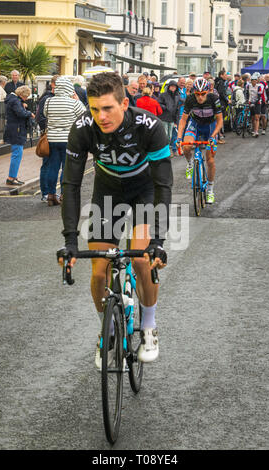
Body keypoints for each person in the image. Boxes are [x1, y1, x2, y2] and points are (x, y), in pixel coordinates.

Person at [60, 72, 172, 367]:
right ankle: (106, 331)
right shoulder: (83, 128)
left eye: (108, 108)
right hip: (108, 195)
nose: (101, 116)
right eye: (94, 108)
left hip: (144, 191)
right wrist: (70, 242)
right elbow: (70, 185)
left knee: (140, 259)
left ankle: (149, 325)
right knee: (99, 272)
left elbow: (163, 186)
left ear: (124, 102)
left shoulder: (150, 127)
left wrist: (158, 241)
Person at [176, 78, 223, 204]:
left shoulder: (214, 99)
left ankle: (210, 190)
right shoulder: (190, 99)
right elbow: (183, 120)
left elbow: (220, 121)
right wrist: (179, 138)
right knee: (186, 147)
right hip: (195, 124)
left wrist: (213, 136)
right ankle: (190, 163)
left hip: (210, 127)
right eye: (198, 94)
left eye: (203, 94)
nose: (200, 97)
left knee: (210, 160)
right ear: (194, 93)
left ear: (207, 92)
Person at [43, 76, 85, 206]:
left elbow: (45, 114)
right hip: (68, 139)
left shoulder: (49, 101)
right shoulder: (74, 103)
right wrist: (78, 100)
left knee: (52, 167)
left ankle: (50, 195)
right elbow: (84, 115)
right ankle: (63, 194)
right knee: (66, 168)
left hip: (52, 139)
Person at [4, 85, 35, 185]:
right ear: (21, 94)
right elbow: (21, 113)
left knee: (17, 154)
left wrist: (22, 104)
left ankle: (13, 176)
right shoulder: (15, 101)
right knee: (17, 154)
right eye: (26, 97)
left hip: (15, 129)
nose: (26, 99)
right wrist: (29, 113)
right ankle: (11, 178)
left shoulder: (15, 100)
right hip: (16, 130)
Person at [35, 75, 60, 202]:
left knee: (54, 165)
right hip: (48, 136)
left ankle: (51, 192)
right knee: (47, 164)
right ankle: (45, 193)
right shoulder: (47, 98)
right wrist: (49, 128)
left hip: (57, 136)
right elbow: (40, 118)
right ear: (54, 85)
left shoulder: (56, 98)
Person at [158, 80, 180, 155]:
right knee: (165, 136)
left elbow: (177, 109)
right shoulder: (163, 95)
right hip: (163, 117)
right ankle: (166, 151)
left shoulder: (177, 96)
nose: (173, 88)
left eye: (174, 86)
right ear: (169, 87)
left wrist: (176, 121)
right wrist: (166, 107)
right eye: (172, 86)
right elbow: (159, 103)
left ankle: (167, 150)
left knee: (170, 136)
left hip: (172, 119)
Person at [248, 73, 262, 138]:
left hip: (257, 103)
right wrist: (248, 101)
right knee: (253, 118)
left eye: (255, 80)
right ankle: (254, 130)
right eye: (252, 80)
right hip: (251, 102)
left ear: (257, 81)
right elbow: (247, 94)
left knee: (257, 118)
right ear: (251, 81)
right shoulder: (248, 86)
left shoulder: (259, 87)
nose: (254, 82)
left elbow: (259, 97)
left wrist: (254, 103)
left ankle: (256, 131)